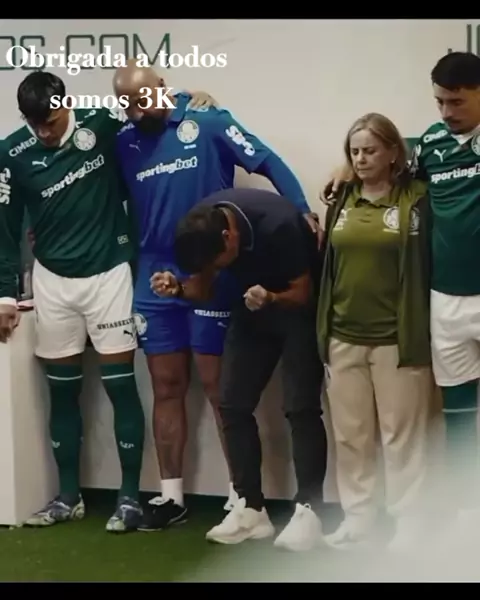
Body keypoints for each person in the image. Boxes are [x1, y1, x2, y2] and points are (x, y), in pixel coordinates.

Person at [0, 70, 216, 533]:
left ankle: (129, 498)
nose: (43, 132)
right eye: (34, 124)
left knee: (121, 387)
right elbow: (4, 228)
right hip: (53, 282)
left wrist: (187, 97)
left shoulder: (102, 123)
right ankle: (68, 497)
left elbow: (150, 108)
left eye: (50, 122)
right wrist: (4, 295)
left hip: (110, 275)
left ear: (65, 105)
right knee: (62, 392)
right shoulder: (10, 153)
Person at [113, 61, 322, 531]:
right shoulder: (122, 139)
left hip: (211, 267)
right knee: (165, 384)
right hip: (154, 272)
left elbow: (265, 160)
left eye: (143, 100)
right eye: (127, 105)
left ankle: (240, 497)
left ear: (161, 87)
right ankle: (171, 496)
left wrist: (303, 209)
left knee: (219, 386)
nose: (136, 112)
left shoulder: (207, 120)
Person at [322, 51, 480, 521]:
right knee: (457, 407)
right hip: (446, 297)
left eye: (457, 102)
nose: (446, 112)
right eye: (440, 102)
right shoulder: (432, 143)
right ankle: (467, 513)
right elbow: (386, 150)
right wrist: (345, 166)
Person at [150, 187, 328, 552]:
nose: (218, 269)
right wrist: (178, 289)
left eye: (220, 262)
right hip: (250, 307)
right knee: (231, 403)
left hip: (296, 309)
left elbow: (304, 293)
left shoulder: (278, 224)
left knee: (300, 407)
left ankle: (310, 511)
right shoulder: (199, 229)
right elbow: (202, 290)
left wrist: (272, 297)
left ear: (229, 236)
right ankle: (251, 509)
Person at [317, 113, 433, 551]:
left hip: (397, 340)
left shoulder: (416, 197)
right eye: (354, 152)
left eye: (370, 150)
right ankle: (359, 517)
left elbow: (428, 146)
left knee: (402, 436)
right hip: (343, 336)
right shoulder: (342, 197)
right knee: (351, 436)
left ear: (392, 152)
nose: (361, 159)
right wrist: (343, 170)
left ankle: (409, 520)